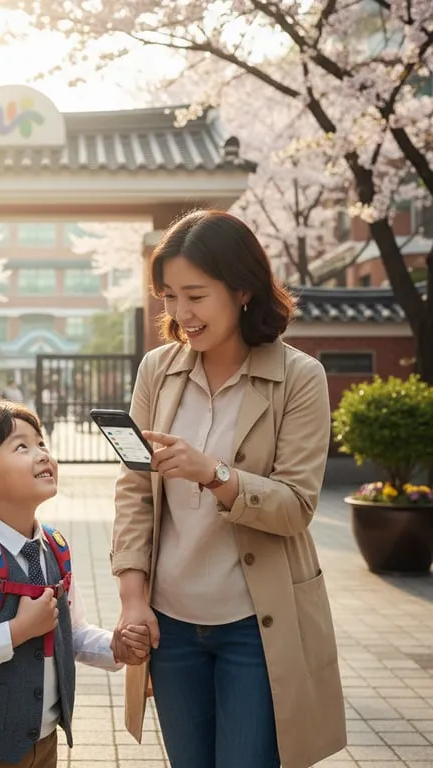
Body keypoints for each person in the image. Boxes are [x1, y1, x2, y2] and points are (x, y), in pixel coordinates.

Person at [113, 210, 346, 768]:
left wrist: (213, 473)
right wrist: (132, 599)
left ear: (243, 290)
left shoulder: (299, 377)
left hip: (256, 626)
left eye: (196, 296)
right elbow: (135, 491)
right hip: (170, 625)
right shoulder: (157, 371)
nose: (181, 314)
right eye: (169, 296)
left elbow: (296, 506)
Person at [0, 401, 150, 768]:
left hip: (44, 743)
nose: (42, 454)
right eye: (21, 446)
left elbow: (71, 633)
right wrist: (17, 631)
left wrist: (115, 647)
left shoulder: (54, 549)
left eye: (41, 443)